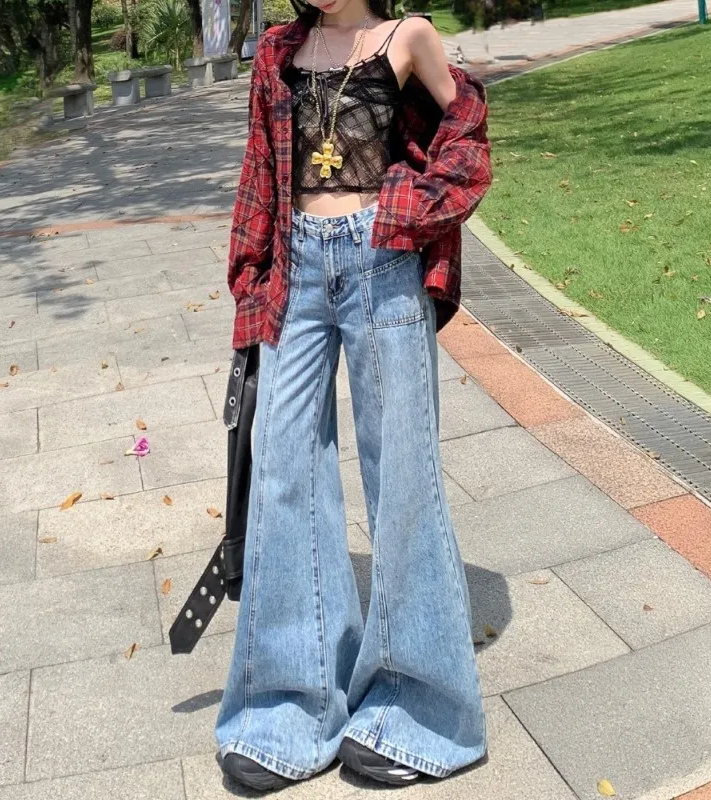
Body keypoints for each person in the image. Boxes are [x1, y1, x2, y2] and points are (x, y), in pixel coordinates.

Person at [215, 0, 493, 790]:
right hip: (296, 272)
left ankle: (425, 710)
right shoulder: (281, 51)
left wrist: (406, 210)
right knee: (282, 471)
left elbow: (468, 136)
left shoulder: (408, 37)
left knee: (402, 478)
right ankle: (288, 707)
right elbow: (260, 172)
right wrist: (251, 284)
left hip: (381, 265)